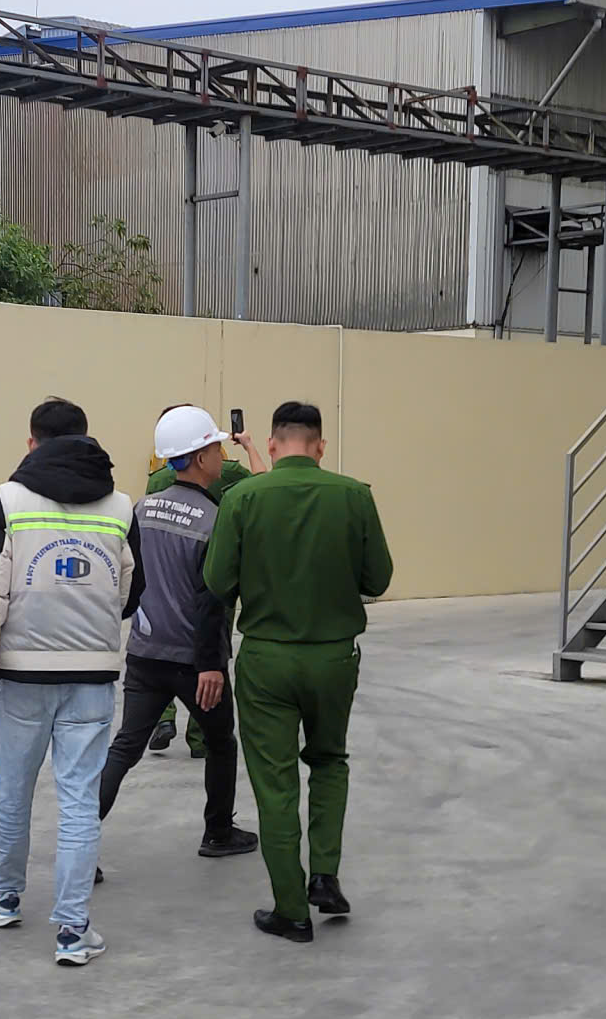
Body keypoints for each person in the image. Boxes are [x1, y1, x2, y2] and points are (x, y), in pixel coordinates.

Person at [0, 396, 140, 966]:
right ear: (86, 439)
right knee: (80, 801)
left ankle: (4, 896)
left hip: (22, 675)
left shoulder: (8, 500)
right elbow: (131, 589)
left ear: (32, 442)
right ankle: (73, 930)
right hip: (92, 676)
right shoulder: (120, 506)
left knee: (13, 791)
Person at [202, 400, 394, 944]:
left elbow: (217, 582)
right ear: (320, 446)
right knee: (330, 761)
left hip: (267, 658)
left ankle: (291, 909)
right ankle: (325, 875)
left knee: (276, 781)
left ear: (272, 442)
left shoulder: (242, 498)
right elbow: (377, 579)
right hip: (334, 657)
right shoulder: (354, 496)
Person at [99, 405, 258, 860]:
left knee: (126, 745)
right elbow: (212, 600)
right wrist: (212, 664)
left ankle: (79, 841)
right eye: (215, 449)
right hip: (194, 661)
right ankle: (218, 833)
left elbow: (127, 581)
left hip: (145, 653)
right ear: (200, 457)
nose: (220, 456)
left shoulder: (141, 508)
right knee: (221, 742)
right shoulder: (214, 518)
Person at [141, 407, 264, 755]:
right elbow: (262, 484)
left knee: (164, 647)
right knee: (208, 648)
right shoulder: (228, 471)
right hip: (214, 574)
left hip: (166, 577)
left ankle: (164, 715)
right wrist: (248, 445)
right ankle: (201, 736)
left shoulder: (157, 479)